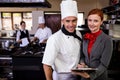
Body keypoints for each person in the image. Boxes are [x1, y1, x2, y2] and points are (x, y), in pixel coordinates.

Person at [42, 0, 82, 80]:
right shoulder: (54, 39)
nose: (71, 25)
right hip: (61, 77)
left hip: (78, 75)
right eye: (67, 21)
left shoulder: (78, 34)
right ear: (62, 21)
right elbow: (46, 65)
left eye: (74, 21)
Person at [72, 8, 113, 80]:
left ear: (101, 22)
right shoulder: (85, 37)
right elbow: (82, 56)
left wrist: (90, 76)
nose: (92, 24)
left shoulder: (107, 40)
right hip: (84, 77)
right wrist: (82, 64)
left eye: (96, 21)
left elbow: (104, 65)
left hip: (99, 77)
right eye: (90, 20)